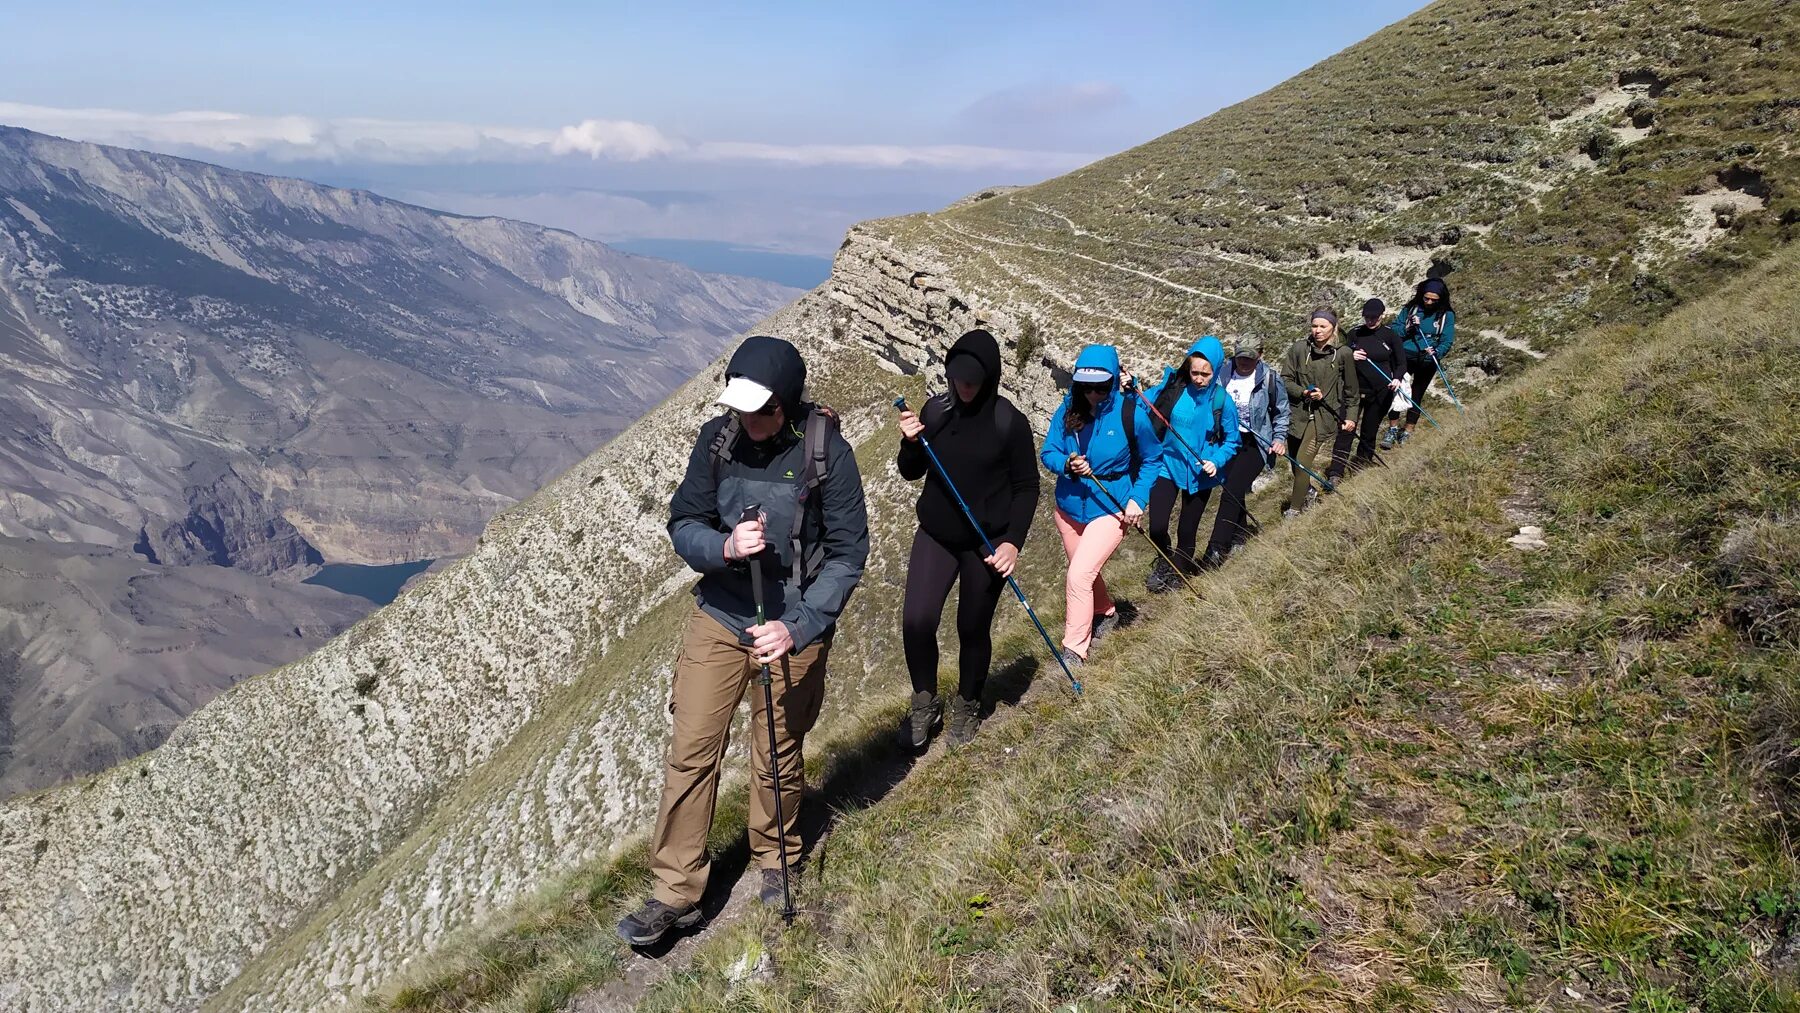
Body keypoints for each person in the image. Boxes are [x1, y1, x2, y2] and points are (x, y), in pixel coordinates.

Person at [618, 335, 869, 947]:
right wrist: (724, 548)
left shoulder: (826, 454)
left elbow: (848, 552)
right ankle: (675, 892)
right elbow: (685, 522)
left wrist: (799, 626)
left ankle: (776, 858)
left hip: (792, 625)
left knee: (776, 748)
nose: (748, 420)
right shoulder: (718, 440)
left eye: (760, 410)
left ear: (785, 404)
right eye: (741, 408)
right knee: (692, 748)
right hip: (721, 614)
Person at [895, 329, 1039, 749]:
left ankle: (969, 703)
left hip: (986, 542)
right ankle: (925, 700)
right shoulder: (936, 411)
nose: (964, 387)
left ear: (990, 377)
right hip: (937, 533)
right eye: (957, 378)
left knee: (972, 626)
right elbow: (910, 470)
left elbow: (1027, 487)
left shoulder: (1009, 422)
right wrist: (910, 444)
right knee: (917, 620)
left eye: (973, 380)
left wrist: (1012, 542)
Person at [1039, 344, 1162, 666]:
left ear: (1113, 381)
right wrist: (1066, 464)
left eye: (1101, 386)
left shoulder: (1131, 413)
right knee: (1086, 572)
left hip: (1111, 506)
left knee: (1078, 575)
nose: (1093, 393)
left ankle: (1074, 650)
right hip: (1067, 508)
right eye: (1086, 386)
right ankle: (1106, 612)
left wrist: (1137, 499)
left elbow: (1152, 459)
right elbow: (1048, 451)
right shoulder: (1067, 409)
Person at [1131, 336, 1240, 592]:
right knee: (1157, 525)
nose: (1199, 379)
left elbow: (1232, 440)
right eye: (1194, 372)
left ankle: (1178, 574)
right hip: (1166, 466)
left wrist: (1216, 460)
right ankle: (1165, 558)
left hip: (1200, 475)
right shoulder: (1175, 388)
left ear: (1215, 370)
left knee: (1187, 530)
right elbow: (1143, 400)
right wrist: (1130, 385)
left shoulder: (1222, 401)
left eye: (1205, 373)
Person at [1279, 308, 1359, 517]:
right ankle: (1309, 491)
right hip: (1297, 414)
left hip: (1324, 416)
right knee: (1295, 462)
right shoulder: (1298, 350)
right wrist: (1303, 392)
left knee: (1303, 462)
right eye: (1314, 326)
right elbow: (1285, 380)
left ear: (1333, 327)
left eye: (1323, 326)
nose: (1318, 330)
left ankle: (1294, 511)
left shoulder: (1343, 353)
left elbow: (1352, 390)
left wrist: (1351, 417)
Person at [1213, 335, 1288, 552]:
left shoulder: (1269, 379)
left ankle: (1217, 547)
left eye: (1250, 358)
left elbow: (1281, 411)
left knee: (1230, 490)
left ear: (1260, 356)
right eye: (1240, 357)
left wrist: (1279, 438)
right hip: (1228, 441)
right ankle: (1240, 533)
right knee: (1235, 488)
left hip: (1256, 442)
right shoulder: (1223, 375)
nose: (1244, 362)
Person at [1385, 277, 1456, 447]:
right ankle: (1392, 428)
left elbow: (1447, 340)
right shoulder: (1410, 309)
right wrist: (1408, 326)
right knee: (1397, 389)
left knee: (1417, 393)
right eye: (1426, 298)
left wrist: (1437, 351)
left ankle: (1408, 430)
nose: (1429, 302)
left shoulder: (1447, 315)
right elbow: (1395, 330)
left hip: (1427, 360)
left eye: (1434, 299)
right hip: (1404, 357)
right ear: (1421, 295)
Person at [1344, 298, 1406, 469]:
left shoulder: (1391, 335)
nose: (1370, 321)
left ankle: (1361, 464)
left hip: (1381, 391)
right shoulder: (1354, 333)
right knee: (1346, 429)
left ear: (1382, 315)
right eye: (1367, 318)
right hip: (1355, 390)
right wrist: (1351, 355)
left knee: (1369, 430)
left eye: (1375, 318)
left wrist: (1397, 378)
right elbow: (1342, 356)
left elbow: (1401, 363)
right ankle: (1340, 465)